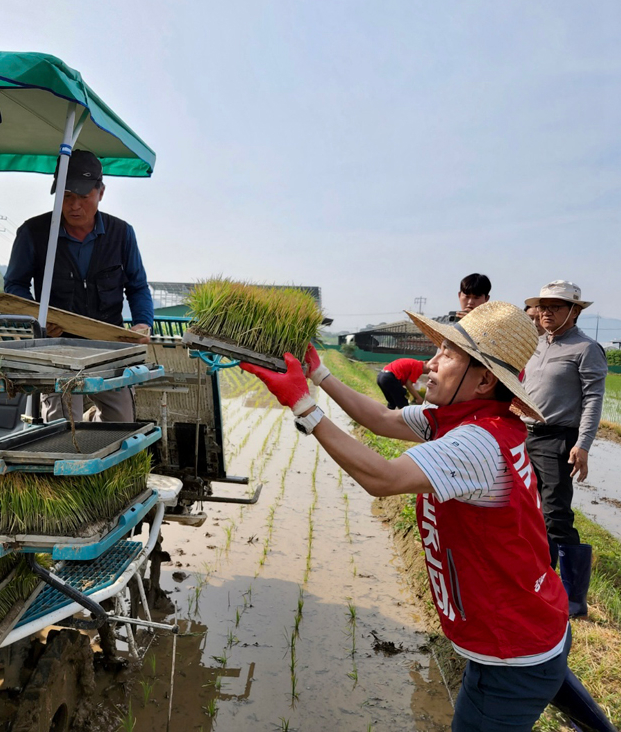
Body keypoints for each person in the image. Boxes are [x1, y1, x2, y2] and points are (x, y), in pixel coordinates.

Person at [243, 302, 571, 731]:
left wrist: (305, 407)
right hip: (519, 626)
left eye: (447, 356)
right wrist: (319, 374)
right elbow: (381, 418)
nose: (430, 365)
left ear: (484, 380)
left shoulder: (477, 443)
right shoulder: (464, 419)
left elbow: (382, 478)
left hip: (513, 652)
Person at [4, 149, 154, 422]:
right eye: (66, 196)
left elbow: (137, 287)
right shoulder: (33, 233)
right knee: (63, 425)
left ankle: (92, 421)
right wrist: (39, 319)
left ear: (101, 192)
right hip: (55, 346)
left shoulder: (122, 233)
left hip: (107, 346)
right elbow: (14, 285)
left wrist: (143, 322)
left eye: (83, 197)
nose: (74, 206)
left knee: (120, 421)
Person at [522, 281, 607, 618]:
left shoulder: (586, 348)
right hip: (525, 435)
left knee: (556, 514)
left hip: (557, 439)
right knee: (527, 509)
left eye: (555, 307)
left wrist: (582, 445)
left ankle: (573, 599)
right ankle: (537, 581)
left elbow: (593, 399)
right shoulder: (536, 344)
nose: (546, 312)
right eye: (543, 306)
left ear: (574, 311)